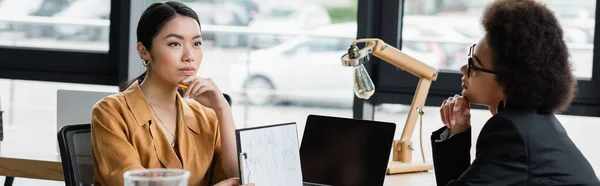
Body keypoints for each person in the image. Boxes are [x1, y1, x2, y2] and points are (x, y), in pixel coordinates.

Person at [433, 0, 600, 185]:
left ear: (508, 81)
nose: (463, 68)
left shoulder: (511, 132)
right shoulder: (535, 123)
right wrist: (459, 128)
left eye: (474, 64)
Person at [90, 2, 253, 186]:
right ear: (144, 51)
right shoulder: (110, 112)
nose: (189, 55)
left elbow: (236, 177)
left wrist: (223, 110)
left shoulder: (207, 117)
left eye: (197, 43)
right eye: (175, 43)